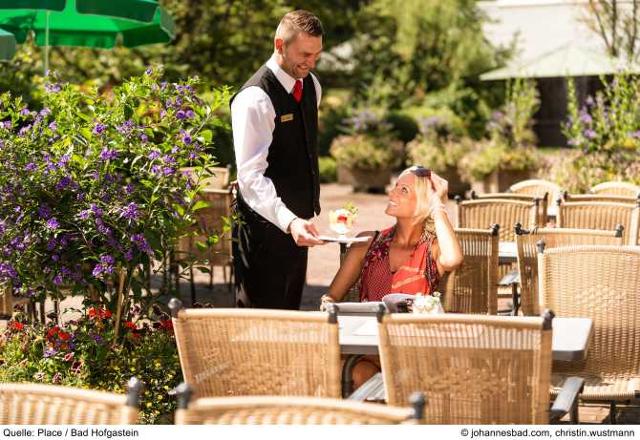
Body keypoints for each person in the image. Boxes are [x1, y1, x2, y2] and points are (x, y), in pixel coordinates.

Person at [321, 166, 463, 388]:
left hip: (411, 354)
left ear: (423, 203)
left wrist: (438, 207)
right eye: (395, 187)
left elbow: (453, 260)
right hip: (365, 351)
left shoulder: (431, 249)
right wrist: (327, 309)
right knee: (354, 373)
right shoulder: (368, 242)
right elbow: (331, 297)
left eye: (403, 190)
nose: (392, 193)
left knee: (393, 380)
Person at [231, 10, 325, 309]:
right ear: (279, 44)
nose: (311, 63)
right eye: (304, 54)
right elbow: (250, 177)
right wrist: (289, 221)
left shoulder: (312, 85)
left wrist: (299, 220)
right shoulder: (255, 99)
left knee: (289, 315)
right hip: (262, 230)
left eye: (317, 55)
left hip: (298, 227)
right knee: (258, 323)